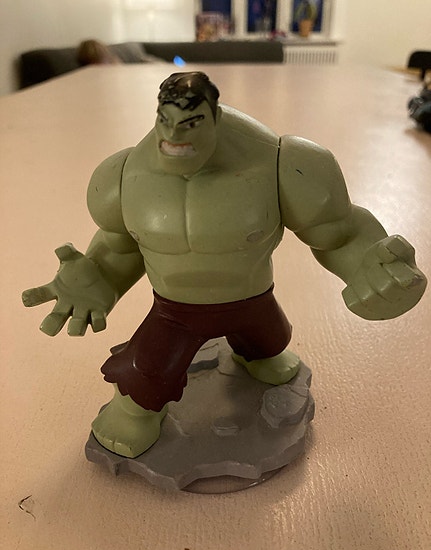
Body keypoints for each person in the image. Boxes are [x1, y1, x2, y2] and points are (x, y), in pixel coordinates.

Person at [23, 72, 427, 458]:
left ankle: (257, 354)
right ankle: (136, 411)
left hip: (254, 299)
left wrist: (370, 267)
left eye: (191, 123)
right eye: (166, 121)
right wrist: (97, 279)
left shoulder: (283, 163)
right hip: (174, 312)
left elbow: (339, 233)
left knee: (270, 347)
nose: (175, 137)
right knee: (141, 385)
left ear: (213, 117)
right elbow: (119, 250)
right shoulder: (122, 176)